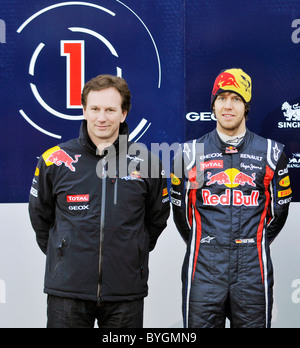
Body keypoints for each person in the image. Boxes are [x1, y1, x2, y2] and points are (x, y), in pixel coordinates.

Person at [29, 74, 170, 328]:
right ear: (84, 110)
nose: (102, 117)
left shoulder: (148, 163)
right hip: (67, 292)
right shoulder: (54, 160)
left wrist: (132, 250)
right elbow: (41, 218)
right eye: (94, 109)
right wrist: (65, 253)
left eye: (110, 109)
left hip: (124, 294)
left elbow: (156, 219)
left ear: (123, 113)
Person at [171, 68, 292, 328]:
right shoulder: (190, 154)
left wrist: (253, 242)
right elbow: (182, 215)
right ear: (212, 105)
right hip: (203, 270)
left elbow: (278, 213)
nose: (228, 105)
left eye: (236, 99)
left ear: (246, 106)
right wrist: (207, 244)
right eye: (222, 98)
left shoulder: (271, 153)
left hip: (252, 271)